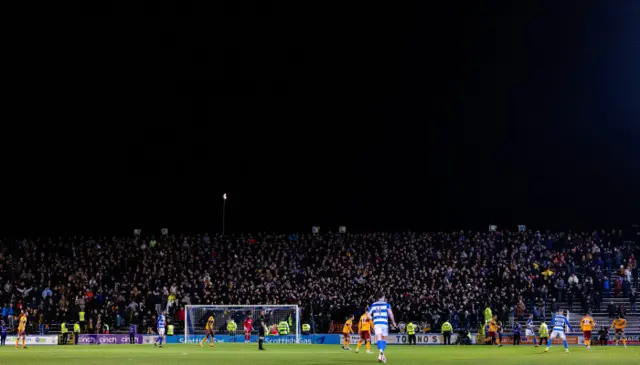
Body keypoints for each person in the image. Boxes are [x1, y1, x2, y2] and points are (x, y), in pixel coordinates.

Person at [368, 292, 397, 364]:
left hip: (377, 323)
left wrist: (372, 318)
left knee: (378, 337)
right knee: (384, 339)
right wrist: (393, 322)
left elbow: (368, 315)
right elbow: (390, 314)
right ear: (383, 297)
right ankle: (381, 353)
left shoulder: (373, 305)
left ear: (377, 297)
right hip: (384, 323)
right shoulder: (387, 304)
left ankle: (381, 353)